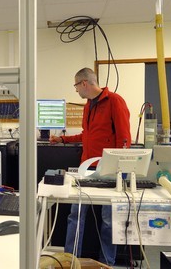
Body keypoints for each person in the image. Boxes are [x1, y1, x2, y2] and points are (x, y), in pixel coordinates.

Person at [50, 67, 131, 266]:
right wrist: (62, 138)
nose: (76, 90)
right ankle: (69, 261)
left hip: (109, 172)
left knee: (108, 220)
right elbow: (86, 135)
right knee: (75, 215)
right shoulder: (88, 105)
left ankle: (107, 262)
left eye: (76, 86)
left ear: (84, 83)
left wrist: (119, 169)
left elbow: (124, 139)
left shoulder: (114, 101)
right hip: (85, 169)